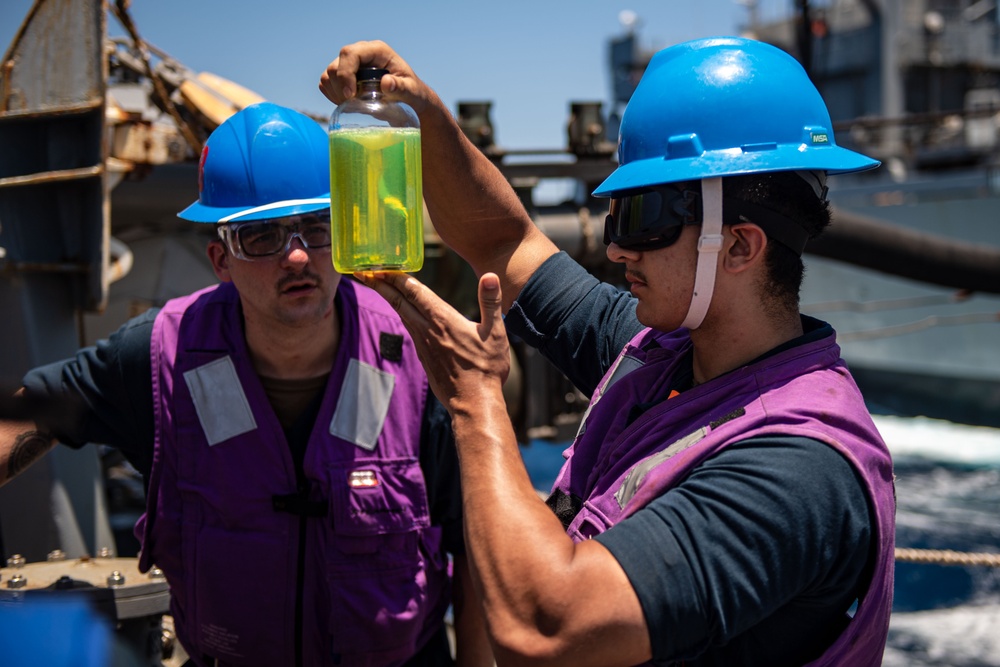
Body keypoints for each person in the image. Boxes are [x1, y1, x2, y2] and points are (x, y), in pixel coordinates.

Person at [320, 37, 896, 666]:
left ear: (738, 247)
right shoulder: (657, 357)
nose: (617, 249)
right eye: (616, 212)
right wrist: (426, 117)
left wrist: (474, 401)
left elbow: (545, 629)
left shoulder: (799, 470)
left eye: (642, 217)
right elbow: (505, 242)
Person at [0, 102, 492, 667]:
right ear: (221, 258)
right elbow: (33, 416)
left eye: (318, 225)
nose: (299, 255)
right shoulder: (160, 357)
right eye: (262, 236)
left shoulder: (419, 362)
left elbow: (474, 547)